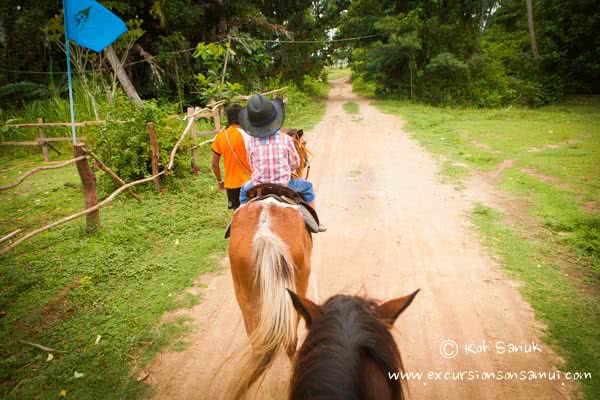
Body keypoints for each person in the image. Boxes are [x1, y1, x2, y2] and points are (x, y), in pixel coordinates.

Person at [238, 94, 326, 232]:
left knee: (243, 190)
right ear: (274, 119)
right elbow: (296, 163)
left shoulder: (251, 142)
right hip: (284, 185)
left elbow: (251, 164)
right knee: (308, 187)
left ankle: (241, 221)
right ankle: (316, 222)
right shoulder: (285, 139)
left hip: (258, 186)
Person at [211, 104, 252, 210]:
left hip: (232, 184)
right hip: (252, 182)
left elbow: (214, 164)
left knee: (238, 215)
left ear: (229, 119)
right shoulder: (249, 135)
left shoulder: (221, 137)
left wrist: (220, 181)